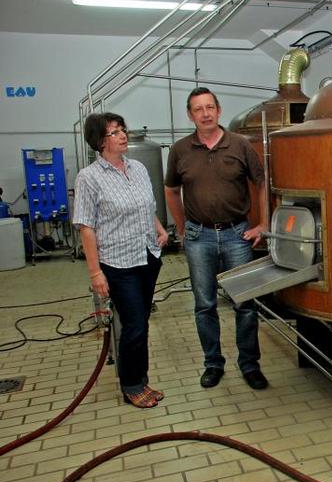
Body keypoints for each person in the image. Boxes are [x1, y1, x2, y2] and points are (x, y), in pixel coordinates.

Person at [164, 87, 269, 390]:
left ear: (219, 111)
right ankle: (213, 364)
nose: (206, 113)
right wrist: (183, 229)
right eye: (199, 109)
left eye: (210, 107)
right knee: (204, 305)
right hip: (200, 237)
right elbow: (171, 190)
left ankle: (250, 365)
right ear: (190, 115)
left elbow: (261, 183)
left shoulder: (240, 145)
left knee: (245, 304)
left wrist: (261, 223)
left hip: (238, 234)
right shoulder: (180, 150)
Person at [74, 112, 169, 408]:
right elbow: (86, 227)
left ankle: (141, 378)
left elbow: (145, 206)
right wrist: (95, 273)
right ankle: (131, 385)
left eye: (122, 129)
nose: (122, 135)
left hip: (147, 255)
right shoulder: (89, 178)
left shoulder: (138, 168)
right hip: (118, 263)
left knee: (141, 322)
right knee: (134, 326)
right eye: (114, 132)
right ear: (99, 142)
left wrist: (158, 228)